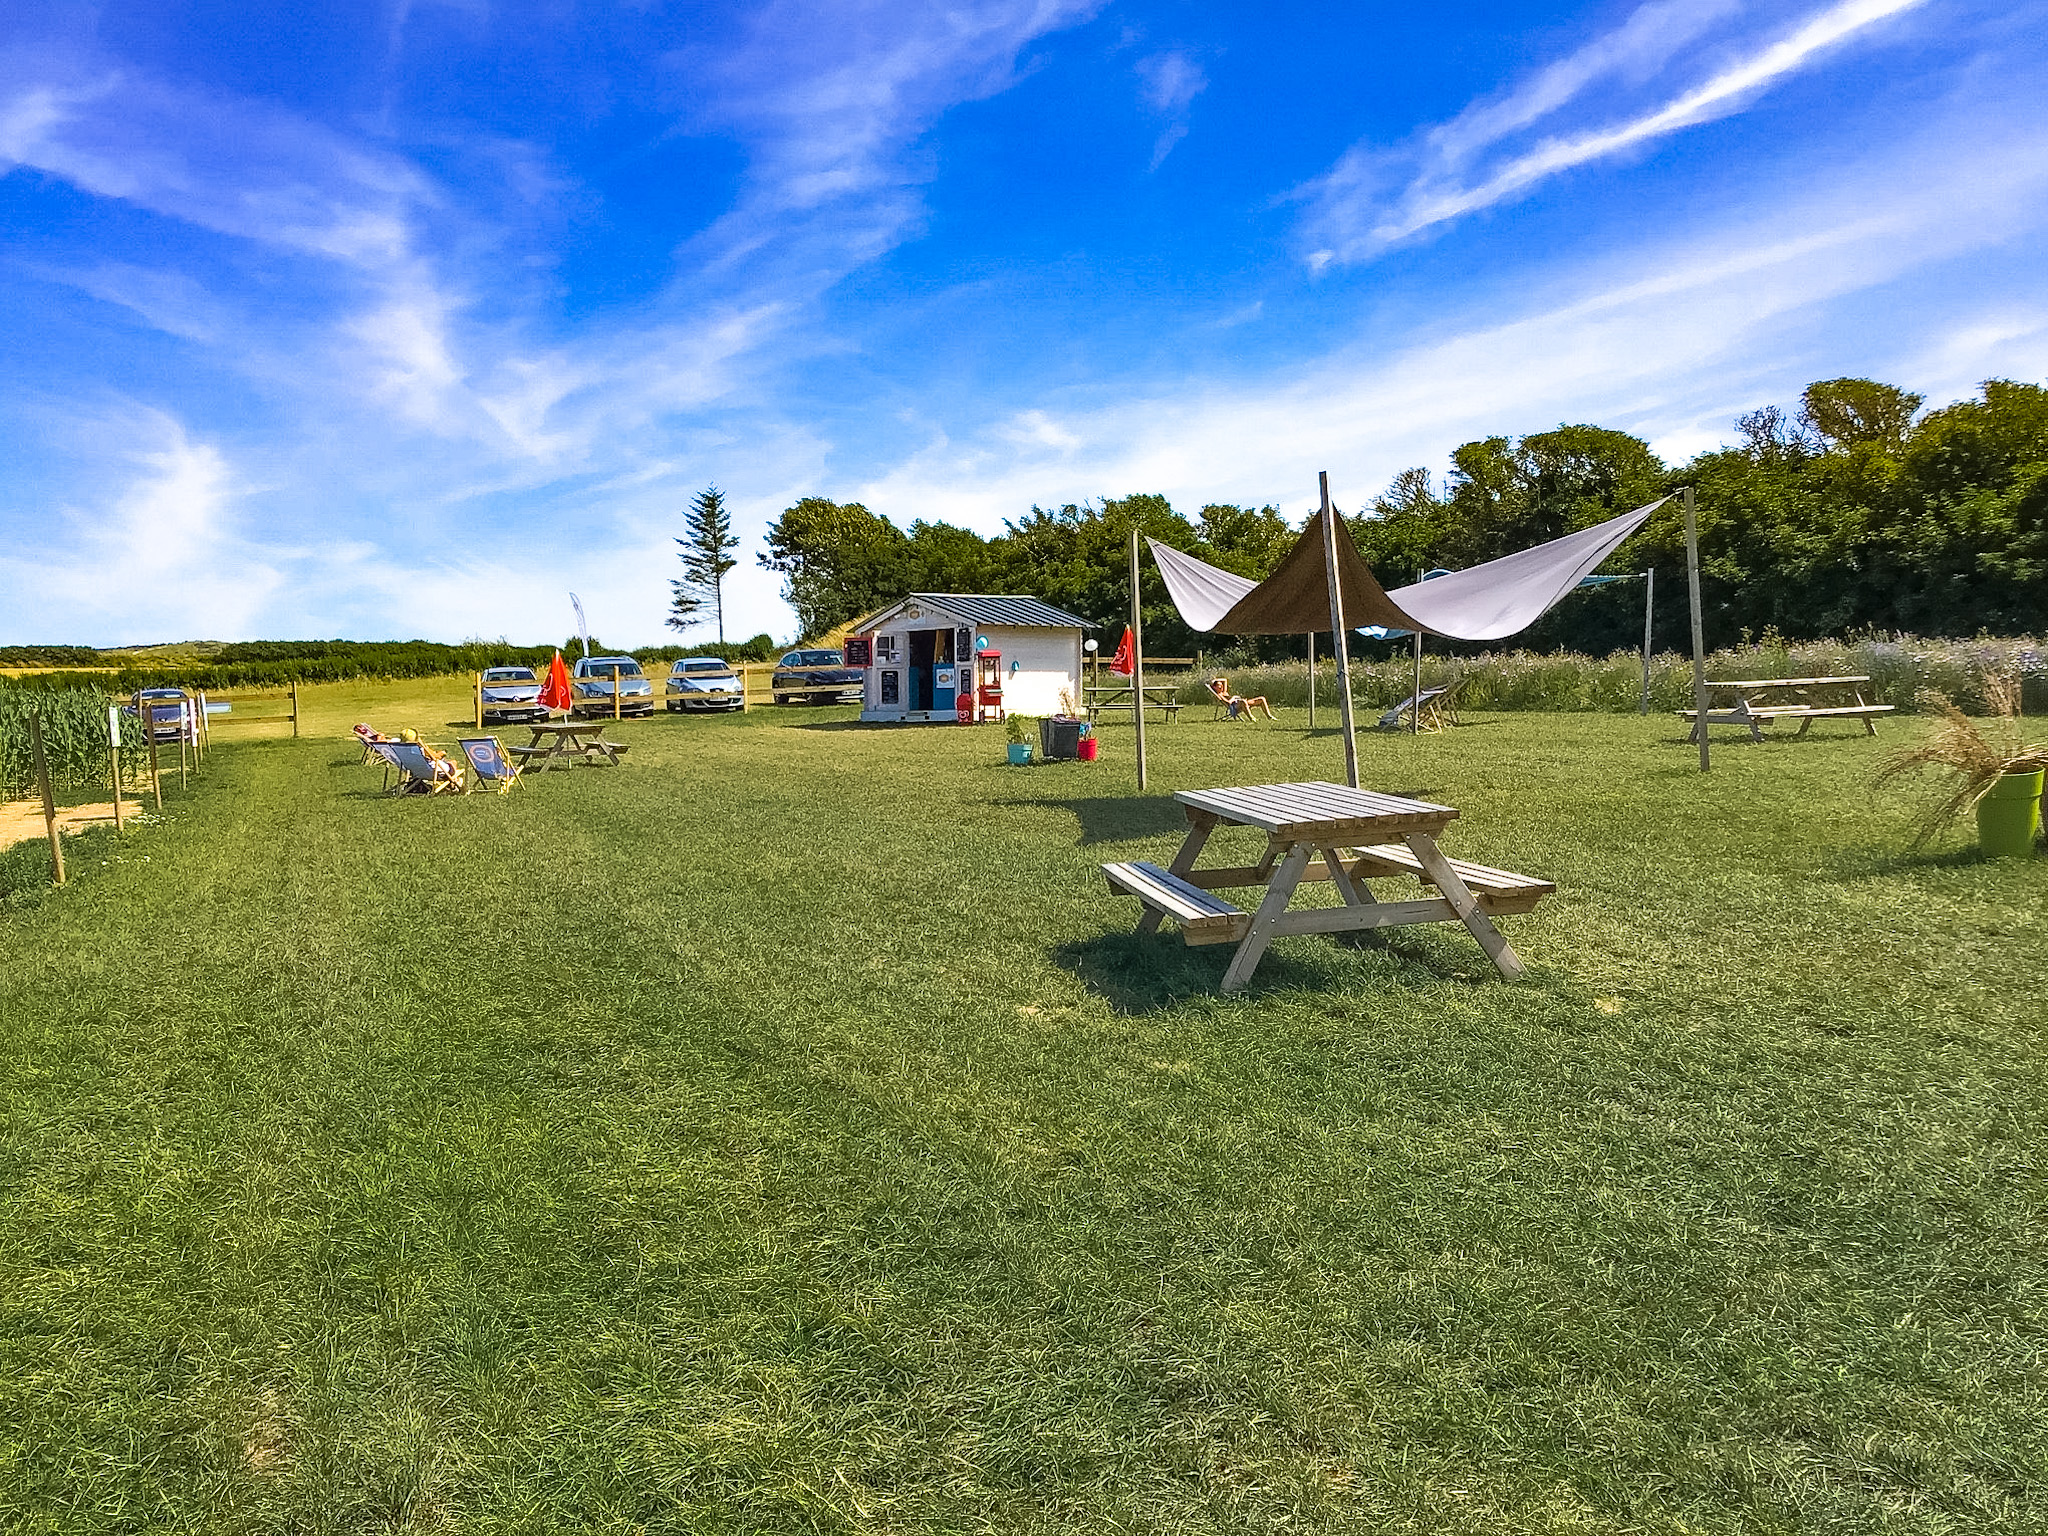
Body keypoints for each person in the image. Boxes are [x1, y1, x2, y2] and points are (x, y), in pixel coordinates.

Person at [1206, 677, 1276, 721]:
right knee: (1243, 702)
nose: (1221, 687)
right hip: (1234, 706)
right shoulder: (1219, 695)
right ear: (1214, 687)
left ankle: (1269, 716)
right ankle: (1251, 718)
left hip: (1239, 702)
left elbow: (1225, 680)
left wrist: (1215, 680)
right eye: (1219, 686)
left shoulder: (1224, 692)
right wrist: (1234, 697)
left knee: (1261, 699)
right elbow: (1229, 702)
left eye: (1221, 685)